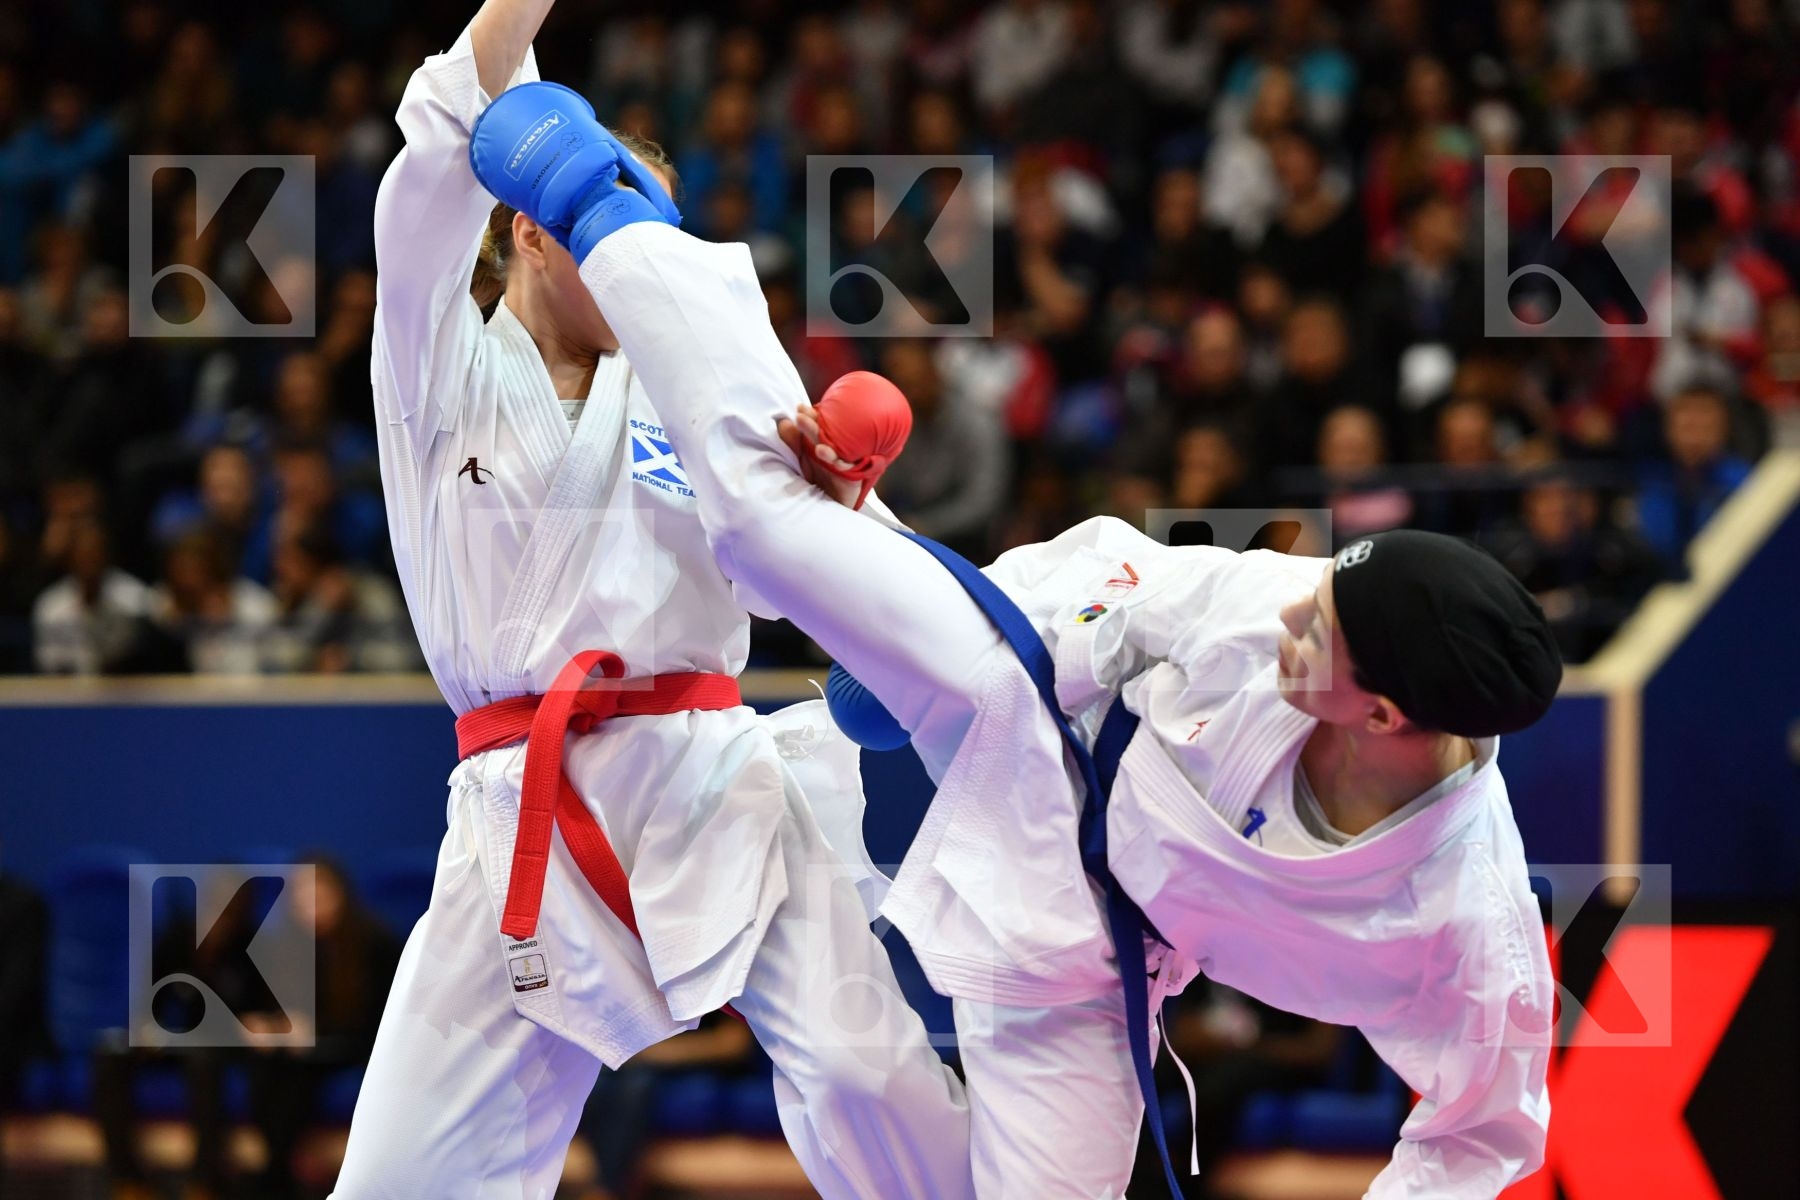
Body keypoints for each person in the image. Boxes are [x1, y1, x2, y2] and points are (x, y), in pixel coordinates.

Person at [469, 86, 1559, 1198]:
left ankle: (861, 541)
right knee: (772, 526)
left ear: (1385, 714)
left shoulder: (1469, 927)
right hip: (1029, 702)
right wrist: (898, 620)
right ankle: (605, 212)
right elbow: (1108, 583)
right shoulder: (1263, 606)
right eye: (1317, 592)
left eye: (1321, 629)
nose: (1293, 612)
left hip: (1082, 958)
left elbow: (1483, 1137)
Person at [333, 4, 972, 1198]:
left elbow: (790, 583)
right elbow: (445, 144)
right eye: (612, 227)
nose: (644, 260)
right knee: (398, 1182)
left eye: (658, 236)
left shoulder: (694, 392)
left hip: (715, 776)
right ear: (533, 227)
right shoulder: (435, 364)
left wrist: (833, 515)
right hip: (526, 813)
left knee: (867, 1078)